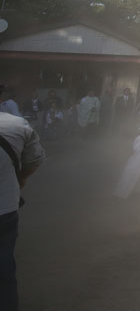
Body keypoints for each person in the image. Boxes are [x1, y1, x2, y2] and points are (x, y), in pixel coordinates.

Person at [1, 103, 45, 310]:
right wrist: (21, 181)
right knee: (4, 269)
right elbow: (35, 159)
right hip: (5, 207)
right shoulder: (17, 124)